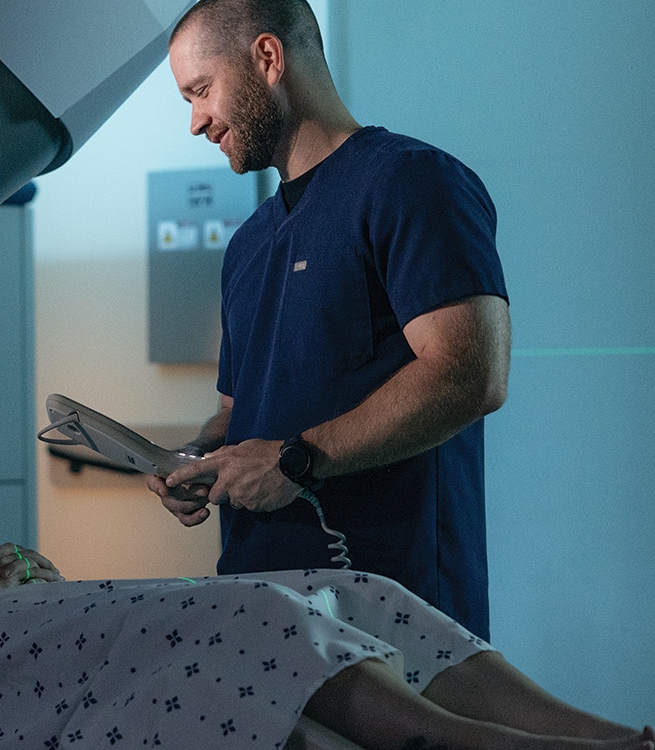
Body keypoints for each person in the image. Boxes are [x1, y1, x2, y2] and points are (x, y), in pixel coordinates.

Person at [145, 0, 511, 640]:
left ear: (267, 58)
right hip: (259, 600)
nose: (197, 121)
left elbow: (469, 375)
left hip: (395, 602)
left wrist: (295, 461)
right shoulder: (250, 242)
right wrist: (199, 456)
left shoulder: (412, 183)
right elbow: (241, 412)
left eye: (201, 91)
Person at [0, 543, 655, 750]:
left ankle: (604, 734)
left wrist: (8, 585)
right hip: (44, 685)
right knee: (258, 624)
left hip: (70, 631)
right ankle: (481, 747)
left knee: (349, 589)